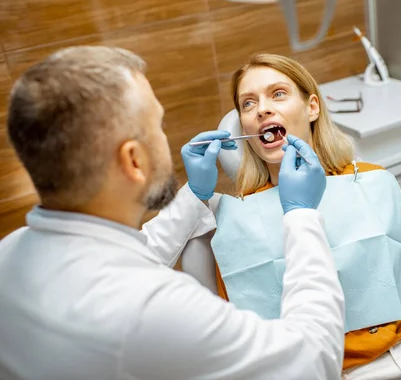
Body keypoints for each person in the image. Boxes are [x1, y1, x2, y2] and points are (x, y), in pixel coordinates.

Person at [0, 46, 346, 380]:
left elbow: (130, 253)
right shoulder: (156, 309)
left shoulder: (9, 254)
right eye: (158, 126)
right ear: (134, 160)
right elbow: (311, 364)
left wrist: (194, 195)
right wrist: (301, 216)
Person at [181, 53, 401, 379]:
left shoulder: (373, 182)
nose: (262, 109)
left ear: (312, 107)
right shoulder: (233, 220)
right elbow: (240, 336)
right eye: (248, 104)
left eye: (278, 94)